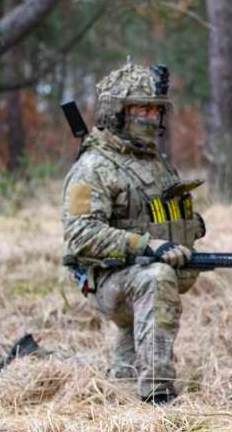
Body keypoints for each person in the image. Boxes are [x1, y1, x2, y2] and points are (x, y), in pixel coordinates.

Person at [62, 62, 207, 403]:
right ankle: (157, 392)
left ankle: (123, 376)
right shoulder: (93, 167)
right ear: (117, 112)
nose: (150, 117)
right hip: (107, 279)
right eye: (141, 108)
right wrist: (147, 245)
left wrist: (188, 228)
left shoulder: (154, 162)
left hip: (137, 273)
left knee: (152, 278)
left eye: (156, 109)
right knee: (154, 279)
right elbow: (81, 234)